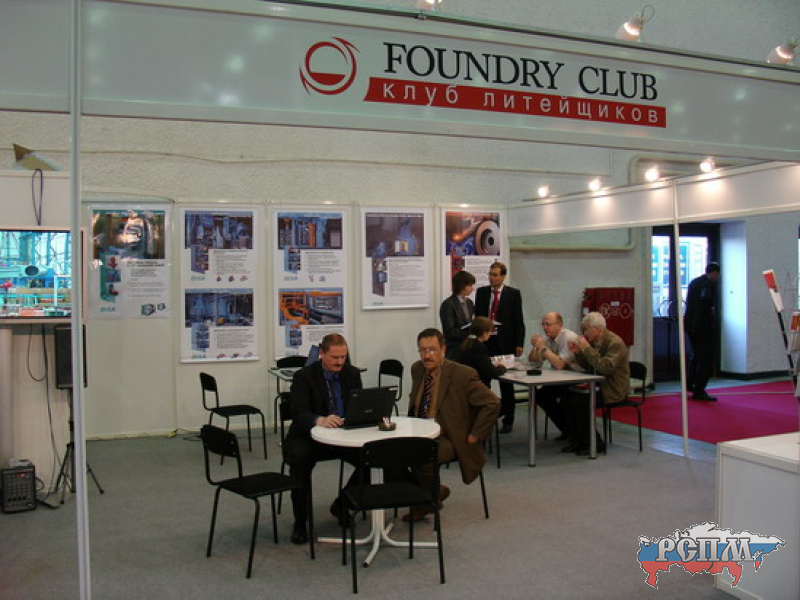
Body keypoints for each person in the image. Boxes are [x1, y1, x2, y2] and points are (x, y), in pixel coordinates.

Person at [405, 328, 500, 521]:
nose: (427, 355)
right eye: (423, 350)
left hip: (449, 436)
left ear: (443, 349)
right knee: (390, 454)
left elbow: (493, 403)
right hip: (418, 431)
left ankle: (427, 500)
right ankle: (434, 493)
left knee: (422, 456)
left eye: (432, 349)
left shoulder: (462, 374)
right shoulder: (417, 369)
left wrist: (476, 434)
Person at [282, 333, 362, 545]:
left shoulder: (352, 374)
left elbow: (357, 403)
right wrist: (319, 420)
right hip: (309, 436)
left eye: (343, 357)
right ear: (321, 354)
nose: (340, 362)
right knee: (299, 461)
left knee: (372, 458)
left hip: (343, 435)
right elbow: (298, 412)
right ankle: (301, 522)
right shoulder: (304, 376)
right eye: (335, 357)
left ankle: (343, 504)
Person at [564, 312, 630, 456]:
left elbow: (605, 368)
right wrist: (578, 353)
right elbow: (589, 365)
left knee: (580, 402)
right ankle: (577, 440)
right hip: (597, 384)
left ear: (597, 329)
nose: (584, 333)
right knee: (566, 397)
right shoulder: (595, 341)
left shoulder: (615, 343)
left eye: (586, 329)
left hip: (612, 388)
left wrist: (587, 349)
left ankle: (594, 443)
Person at [474, 261, 525, 433]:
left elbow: (518, 320)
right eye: (490, 274)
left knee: (506, 382)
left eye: (495, 275)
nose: (492, 278)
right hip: (486, 340)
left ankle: (508, 419)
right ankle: (485, 415)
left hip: (505, 341)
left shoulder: (513, 294)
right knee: (483, 378)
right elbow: (478, 317)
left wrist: (519, 343)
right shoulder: (482, 293)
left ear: (503, 276)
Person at [527, 311, 584, 442]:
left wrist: (543, 348)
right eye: (543, 324)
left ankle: (572, 431)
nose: (545, 328)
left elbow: (559, 365)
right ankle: (567, 429)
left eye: (548, 324)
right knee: (541, 396)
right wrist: (535, 347)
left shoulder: (569, 337)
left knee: (567, 399)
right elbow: (534, 362)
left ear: (559, 324)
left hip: (576, 378)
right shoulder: (547, 338)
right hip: (560, 379)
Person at [685, 262, 721, 401]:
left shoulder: (693, 282)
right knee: (706, 359)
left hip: (690, 325)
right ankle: (699, 390)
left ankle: (690, 383)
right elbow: (706, 301)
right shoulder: (708, 284)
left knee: (695, 355)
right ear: (715, 273)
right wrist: (711, 314)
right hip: (703, 327)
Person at [454, 317, 507, 388]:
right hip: (477, 387)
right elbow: (492, 372)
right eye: (490, 332)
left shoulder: (466, 343)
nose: (490, 334)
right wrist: (502, 367)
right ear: (484, 333)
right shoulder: (479, 348)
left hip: (465, 384)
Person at [440, 270, 476, 359]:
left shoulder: (470, 303)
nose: (472, 289)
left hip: (468, 347)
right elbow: (449, 332)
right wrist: (470, 334)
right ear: (461, 286)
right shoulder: (448, 304)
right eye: (469, 285)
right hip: (455, 349)